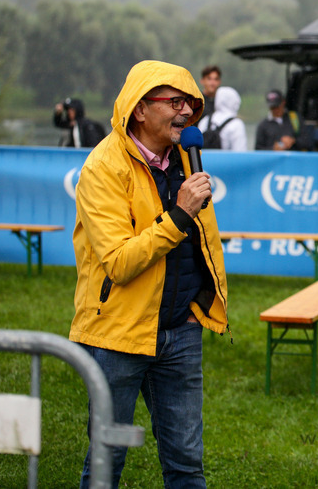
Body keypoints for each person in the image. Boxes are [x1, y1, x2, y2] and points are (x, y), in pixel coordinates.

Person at [70, 60, 228, 488]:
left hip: (180, 331)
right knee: (108, 456)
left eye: (191, 105)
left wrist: (196, 309)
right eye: (174, 102)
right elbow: (119, 263)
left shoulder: (185, 158)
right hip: (116, 335)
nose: (186, 113)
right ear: (140, 109)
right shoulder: (102, 167)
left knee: (186, 462)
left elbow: (202, 245)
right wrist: (179, 213)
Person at [198, 85, 248, 151]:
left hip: (205, 160)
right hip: (228, 161)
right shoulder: (237, 124)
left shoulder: (205, 120)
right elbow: (240, 152)